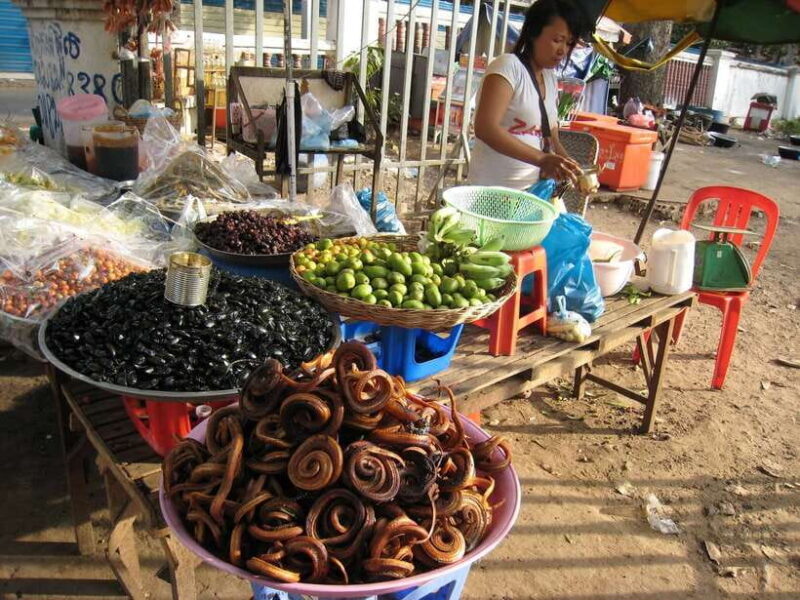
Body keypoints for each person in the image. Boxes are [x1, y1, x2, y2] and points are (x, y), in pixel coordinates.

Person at [469, 0, 592, 190]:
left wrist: (567, 164)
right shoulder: (508, 67)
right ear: (534, 33)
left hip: (532, 194)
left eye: (568, 43)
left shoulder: (550, 78)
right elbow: (486, 128)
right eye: (557, 40)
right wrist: (542, 159)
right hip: (491, 193)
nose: (562, 51)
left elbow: (550, 136)